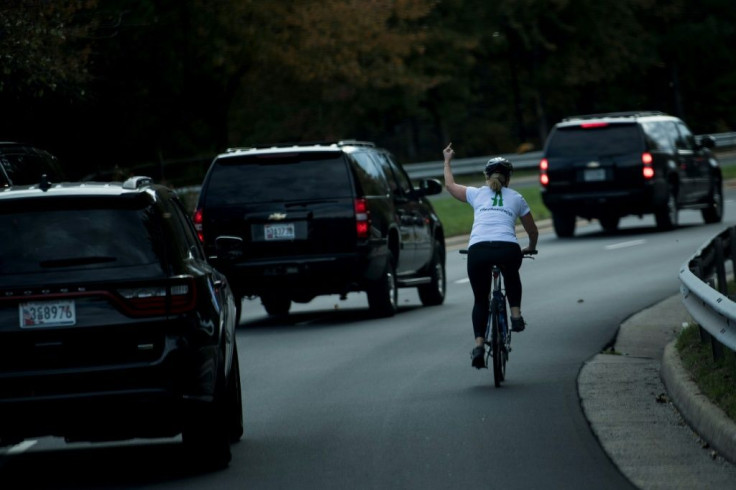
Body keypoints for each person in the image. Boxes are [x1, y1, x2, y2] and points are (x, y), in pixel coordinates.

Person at [442, 142, 538, 369]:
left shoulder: (476, 194)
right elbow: (532, 230)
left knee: (480, 299)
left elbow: (449, 185)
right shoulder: (517, 197)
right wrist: (531, 246)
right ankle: (515, 315)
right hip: (508, 248)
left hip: (479, 250)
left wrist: (447, 161)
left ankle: (478, 345)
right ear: (509, 178)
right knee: (511, 273)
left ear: (487, 176)